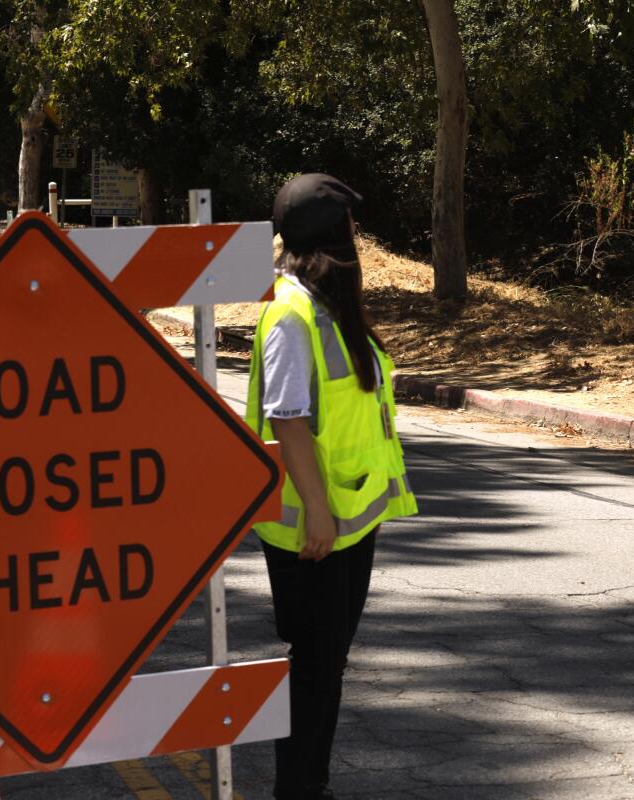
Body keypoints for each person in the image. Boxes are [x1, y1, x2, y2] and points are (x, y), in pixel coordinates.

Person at [245, 173, 418, 800]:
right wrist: (317, 512)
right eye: (350, 232)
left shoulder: (329, 308)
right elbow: (288, 419)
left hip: (349, 517)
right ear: (327, 244)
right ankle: (298, 788)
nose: (357, 244)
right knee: (316, 665)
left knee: (328, 663)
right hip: (311, 525)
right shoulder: (292, 313)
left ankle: (310, 783)